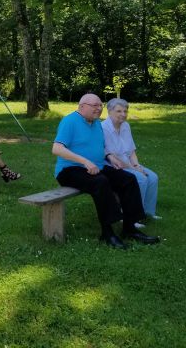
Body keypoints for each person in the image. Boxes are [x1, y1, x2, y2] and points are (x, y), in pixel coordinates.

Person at [52, 93, 160, 249]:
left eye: (100, 105)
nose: (98, 109)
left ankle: (130, 228)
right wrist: (84, 161)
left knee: (128, 179)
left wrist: (109, 156)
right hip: (70, 170)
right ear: (82, 106)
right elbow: (57, 148)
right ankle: (107, 233)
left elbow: (98, 146)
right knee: (100, 182)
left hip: (97, 166)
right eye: (94, 106)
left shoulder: (96, 123)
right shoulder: (69, 121)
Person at [102, 98, 160, 222]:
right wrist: (134, 169)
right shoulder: (103, 128)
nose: (123, 114)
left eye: (125, 111)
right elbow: (112, 156)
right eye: (119, 111)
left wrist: (136, 165)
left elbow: (131, 150)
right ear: (109, 111)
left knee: (153, 177)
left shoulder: (125, 126)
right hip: (114, 165)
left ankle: (148, 212)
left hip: (128, 162)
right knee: (141, 179)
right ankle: (133, 217)